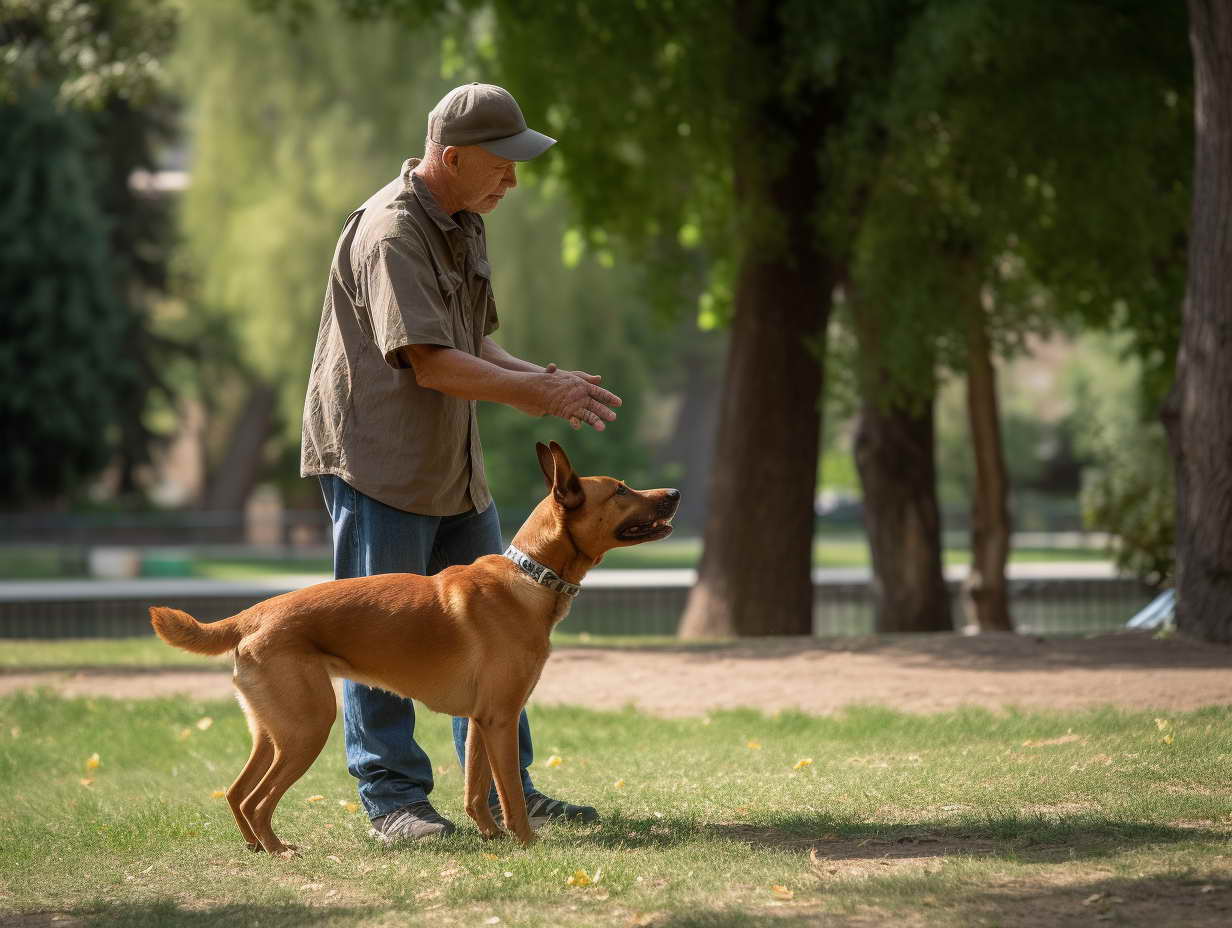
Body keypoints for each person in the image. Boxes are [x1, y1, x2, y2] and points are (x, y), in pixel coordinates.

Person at [300, 82, 622, 843]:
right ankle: (394, 801)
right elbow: (432, 362)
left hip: (452, 466)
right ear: (450, 158)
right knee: (378, 636)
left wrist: (545, 379)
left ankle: (513, 795)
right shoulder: (391, 232)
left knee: (501, 630)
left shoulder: (463, 220)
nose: (512, 178)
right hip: (379, 466)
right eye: (501, 163)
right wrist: (536, 396)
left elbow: (473, 341)